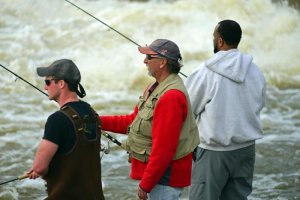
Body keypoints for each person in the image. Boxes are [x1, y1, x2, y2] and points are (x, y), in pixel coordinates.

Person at [100, 39, 200, 200]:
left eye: (149, 57)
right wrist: (97, 121)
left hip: (166, 178)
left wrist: (146, 184)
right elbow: (133, 122)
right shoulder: (155, 87)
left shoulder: (170, 97)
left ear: (162, 62)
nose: (144, 60)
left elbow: (164, 149)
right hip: (160, 176)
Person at [185, 19, 266, 200]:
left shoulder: (205, 71)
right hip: (246, 150)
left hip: (214, 151)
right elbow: (259, 103)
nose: (213, 40)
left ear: (220, 41)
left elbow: (188, 109)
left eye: (214, 36)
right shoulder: (255, 70)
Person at [27, 59, 105, 200]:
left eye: (48, 82)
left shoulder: (57, 120)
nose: (45, 88)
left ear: (61, 84)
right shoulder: (92, 113)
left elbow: (39, 167)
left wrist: (40, 170)